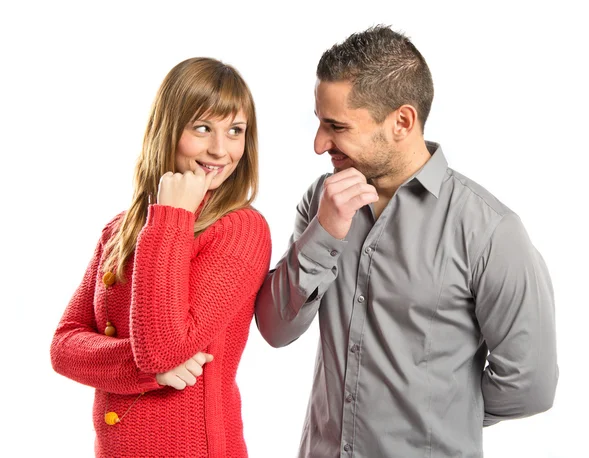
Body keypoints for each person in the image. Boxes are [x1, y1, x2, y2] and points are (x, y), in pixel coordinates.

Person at [255, 25, 557, 458]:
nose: (320, 144)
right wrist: (323, 233)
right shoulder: (322, 201)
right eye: (319, 123)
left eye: (336, 127)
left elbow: (531, 386)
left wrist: (440, 416)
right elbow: (274, 329)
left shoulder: (489, 231)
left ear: (402, 122)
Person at [50, 57, 271, 457]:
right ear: (169, 130)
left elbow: (164, 350)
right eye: (203, 128)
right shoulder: (121, 229)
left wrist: (173, 217)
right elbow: (63, 346)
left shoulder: (239, 229)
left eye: (235, 131)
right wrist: (144, 369)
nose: (221, 150)